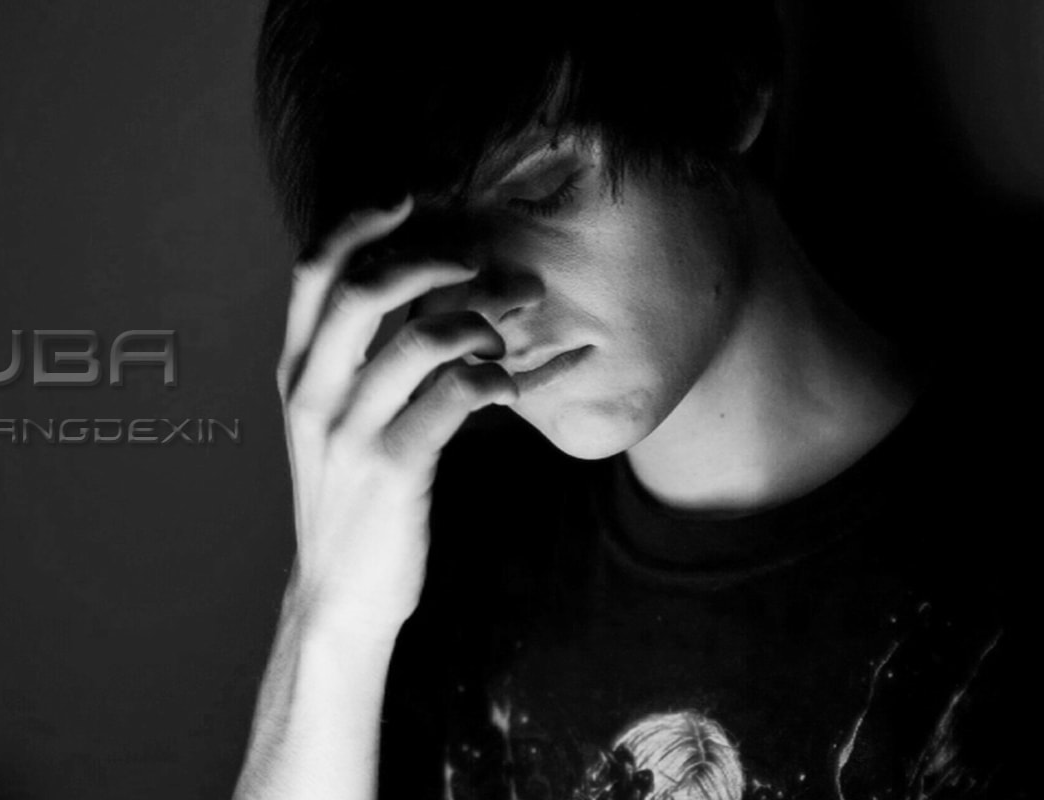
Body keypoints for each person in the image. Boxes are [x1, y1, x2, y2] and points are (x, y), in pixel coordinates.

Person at [233, 1, 1027, 799]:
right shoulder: (438, 554)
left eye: (540, 189)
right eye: (426, 253)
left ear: (726, 92)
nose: (488, 303)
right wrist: (329, 623)